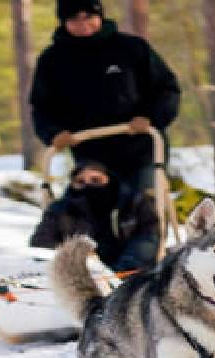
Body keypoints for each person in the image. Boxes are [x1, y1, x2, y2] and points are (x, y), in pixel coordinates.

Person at [30, 0, 180, 271]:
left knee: (144, 210)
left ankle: (131, 272)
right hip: (91, 155)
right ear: (64, 22)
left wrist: (150, 118)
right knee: (81, 212)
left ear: (100, 16)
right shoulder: (53, 60)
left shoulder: (131, 49)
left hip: (141, 149)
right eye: (74, 19)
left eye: (89, 17)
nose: (83, 25)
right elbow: (41, 107)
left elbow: (167, 89)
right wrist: (54, 133)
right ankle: (94, 272)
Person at [30, 161, 158, 270]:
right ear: (72, 185)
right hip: (80, 275)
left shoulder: (135, 203)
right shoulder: (61, 209)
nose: (88, 185)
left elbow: (148, 237)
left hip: (130, 274)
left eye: (96, 180)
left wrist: (127, 266)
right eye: (80, 181)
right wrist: (76, 258)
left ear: (109, 179)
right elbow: (41, 243)